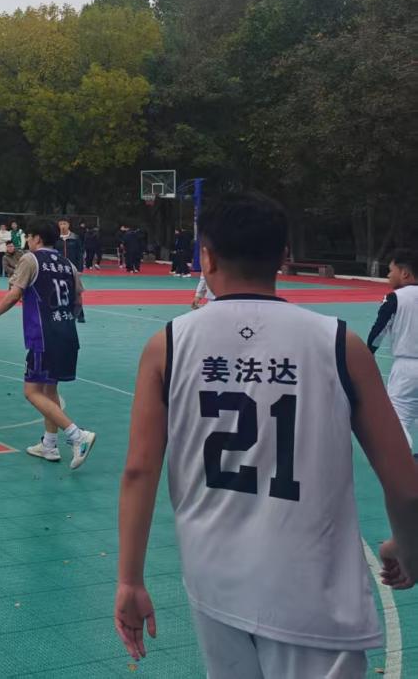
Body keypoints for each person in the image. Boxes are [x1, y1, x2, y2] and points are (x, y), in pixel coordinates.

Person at [114, 191, 418, 675]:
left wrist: (129, 580)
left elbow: (138, 470)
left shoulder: (167, 345)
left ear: (206, 257)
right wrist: (406, 543)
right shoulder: (340, 345)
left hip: (214, 580)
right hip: (314, 591)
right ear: (283, 257)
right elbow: (405, 485)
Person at [0, 219, 95, 468]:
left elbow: (14, 294)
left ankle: (77, 436)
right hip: (67, 334)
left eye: (29, 237)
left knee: (31, 392)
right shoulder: (68, 264)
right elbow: (78, 302)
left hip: (43, 337)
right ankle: (49, 445)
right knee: (50, 391)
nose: (27, 241)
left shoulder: (31, 260)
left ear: (37, 239)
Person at [368, 249, 418, 451]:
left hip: (407, 368)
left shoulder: (395, 298)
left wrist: (368, 354)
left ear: (404, 273)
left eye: (391, 270)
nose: (388, 275)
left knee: (399, 418)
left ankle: (403, 461)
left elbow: (378, 332)